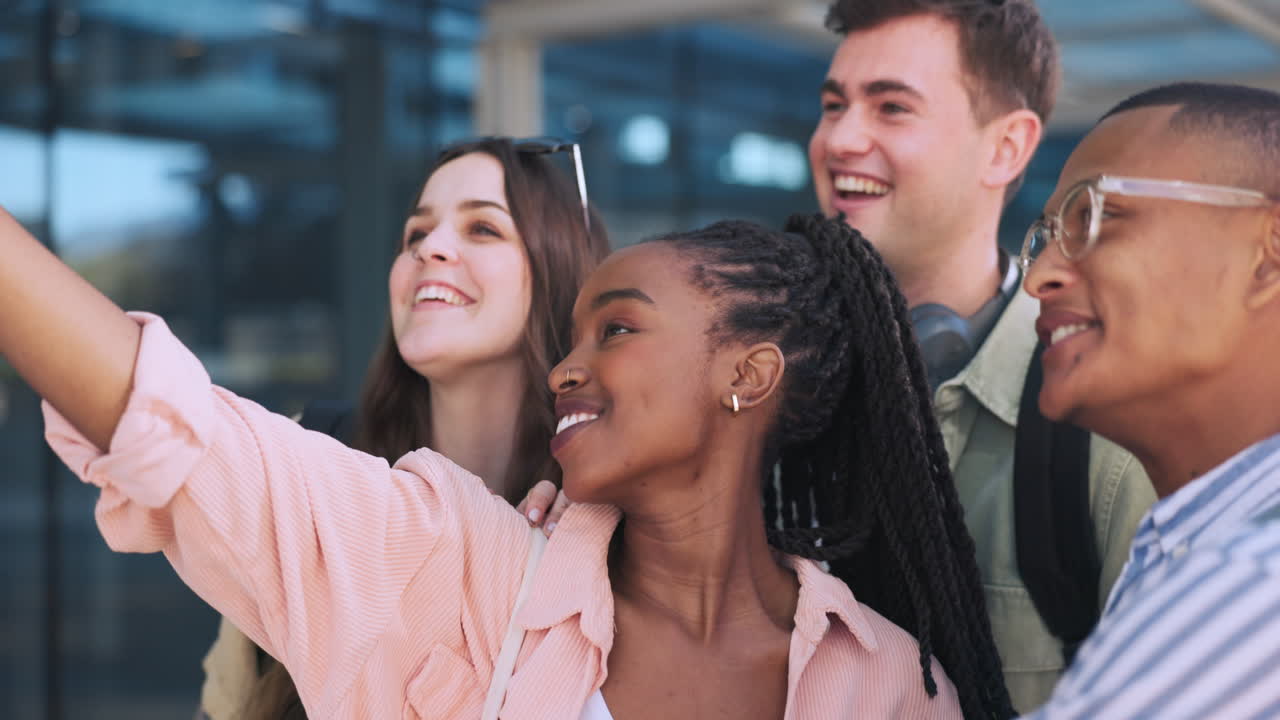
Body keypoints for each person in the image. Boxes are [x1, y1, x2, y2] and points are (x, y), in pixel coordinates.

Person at [0, 200, 1017, 716]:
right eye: (570, 338)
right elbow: (181, 429)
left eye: (616, 330)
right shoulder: (460, 571)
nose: (566, 369)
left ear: (746, 376)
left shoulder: (890, 682)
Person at [523, 2, 1156, 710]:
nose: (840, 139)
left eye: (892, 107)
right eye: (833, 106)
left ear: (1007, 147)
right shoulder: (764, 388)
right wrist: (587, 521)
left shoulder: (1110, 429)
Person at [197, 137, 610, 720]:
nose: (430, 248)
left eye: (483, 228)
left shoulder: (598, 513)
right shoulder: (319, 447)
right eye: (416, 233)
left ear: (560, 270)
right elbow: (228, 703)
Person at [1018, 82, 1280, 718]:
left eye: (1095, 218)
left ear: (1269, 254)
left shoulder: (1252, 585)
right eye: (1045, 235)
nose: (1039, 277)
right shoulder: (1181, 553)